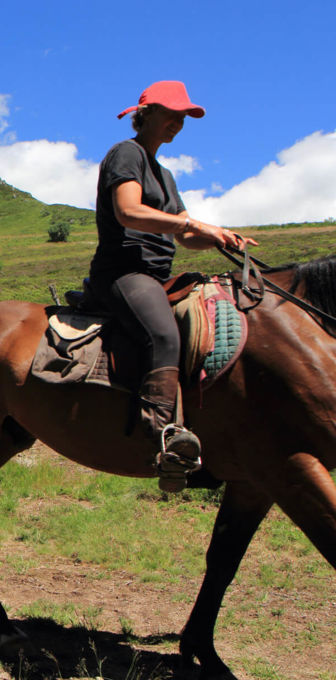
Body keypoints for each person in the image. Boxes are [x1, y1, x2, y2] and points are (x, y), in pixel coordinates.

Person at [87, 80, 256, 491]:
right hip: (124, 273)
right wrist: (191, 223)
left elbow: (185, 238)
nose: (177, 124)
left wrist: (217, 236)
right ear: (145, 115)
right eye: (171, 115)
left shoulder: (164, 173)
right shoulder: (126, 154)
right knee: (163, 335)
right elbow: (128, 212)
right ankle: (163, 437)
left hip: (159, 275)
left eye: (182, 118)